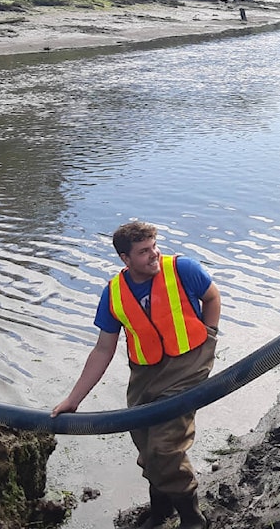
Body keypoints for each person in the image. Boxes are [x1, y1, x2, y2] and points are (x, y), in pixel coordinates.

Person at [52, 221, 220, 529]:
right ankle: (161, 510)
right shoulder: (114, 294)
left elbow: (211, 298)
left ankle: (193, 519)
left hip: (189, 363)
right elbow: (103, 350)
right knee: (146, 445)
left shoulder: (183, 269)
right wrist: (73, 401)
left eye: (154, 246)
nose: (154, 254)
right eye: (144, 251)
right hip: (145, 373)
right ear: (125, 259)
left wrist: (209, 336)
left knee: (165, 448)